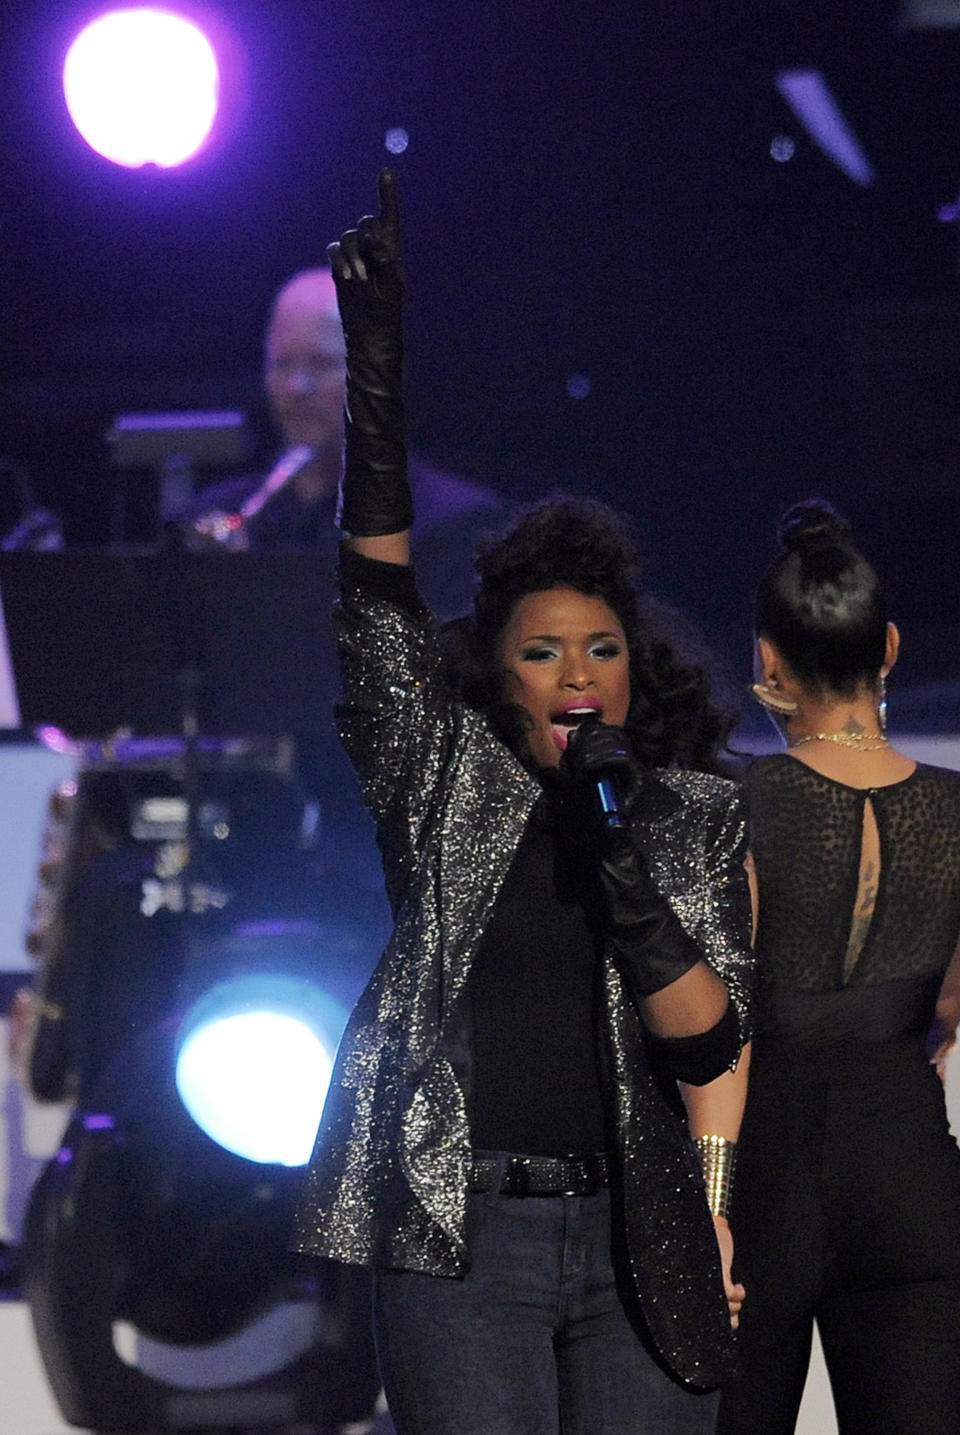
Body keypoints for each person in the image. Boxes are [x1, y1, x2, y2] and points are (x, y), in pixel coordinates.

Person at [292, 171, 756, 1435]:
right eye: (545, 650)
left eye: (600, 650)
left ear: (634, 666)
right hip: (463, 1236)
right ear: (497, 667)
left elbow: (710, 1037)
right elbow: (373, 610)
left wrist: (621, 861)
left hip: (638, 1232)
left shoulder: (684, 812)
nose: (575, 674)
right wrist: (370, 381)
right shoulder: (438, 775)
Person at [716, 500, 960, 1435]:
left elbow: (715, 1016)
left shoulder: (737, 804)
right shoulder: (952, 810)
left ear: (767, 662)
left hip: (764, 1180)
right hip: (908, 1174)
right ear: (888, 648)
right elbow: (946, 1000)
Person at [188, 264, 505, 620]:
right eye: (282, 364)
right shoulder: (217, 514)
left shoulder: (455, 524)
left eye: (321, 365)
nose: (297, 387)